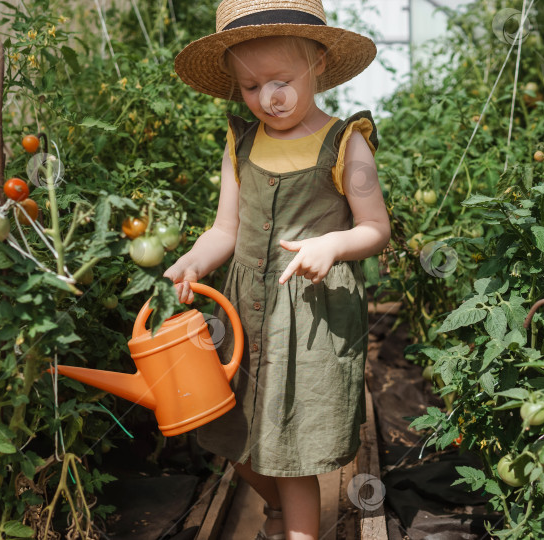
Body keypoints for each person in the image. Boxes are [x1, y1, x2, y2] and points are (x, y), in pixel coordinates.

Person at [166, 1, 390, 538]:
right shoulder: (241, 142)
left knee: (293, 447)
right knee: (226, 428)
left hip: (312, 317)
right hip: (242, 307)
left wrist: (333, 244)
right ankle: (277, 511)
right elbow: (225, 229)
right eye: (250, 87)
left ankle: (297, 527)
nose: (268, 97)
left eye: (281, 80)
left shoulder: (345, 142)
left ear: (317, 62)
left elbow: (375, 228)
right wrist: (194, 261)